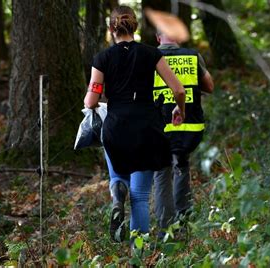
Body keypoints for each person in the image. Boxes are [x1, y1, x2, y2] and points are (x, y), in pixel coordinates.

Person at [83, 6, 186, 243]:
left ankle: (117, 191)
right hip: (146, 131)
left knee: (118, 176)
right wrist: (180, 108)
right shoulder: (151, 54)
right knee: (140, 196)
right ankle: (138, 254)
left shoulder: (102, 58)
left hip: (116, 129)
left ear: (111, 29)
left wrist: (94, 98)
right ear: (135, 27)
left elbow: (91, 101)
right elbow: (178, 89)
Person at [153, 31, 214, 237]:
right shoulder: (192, 56)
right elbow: (210, 86)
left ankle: (165, 230)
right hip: (189, 126)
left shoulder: (149, 56)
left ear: (157, 37)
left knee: (162, 173)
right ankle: (183, 219)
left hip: (160, 127)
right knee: (181, 165)